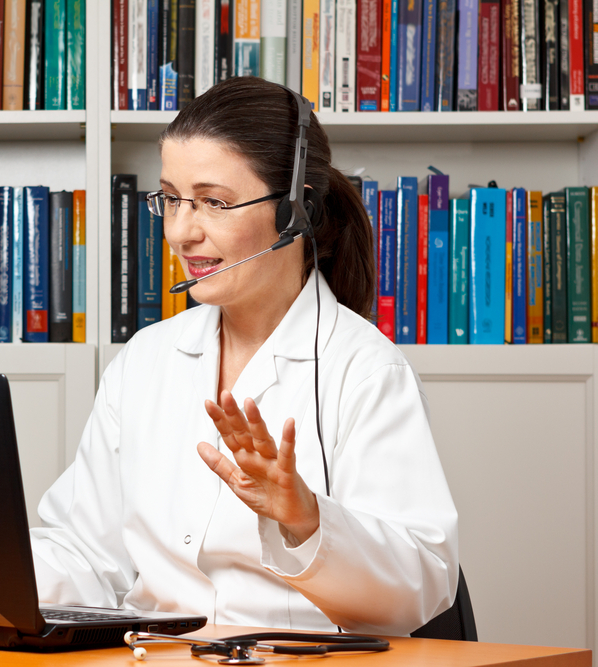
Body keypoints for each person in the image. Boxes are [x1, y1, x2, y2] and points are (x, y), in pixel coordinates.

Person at [29, 76, 459, 636]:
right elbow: (85, 550)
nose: (181, 233)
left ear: (295, 211)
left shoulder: (365, 370)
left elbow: (421, 585)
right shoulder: (146, 361)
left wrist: (307, 519)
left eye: (214, 202)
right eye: (172, 200)